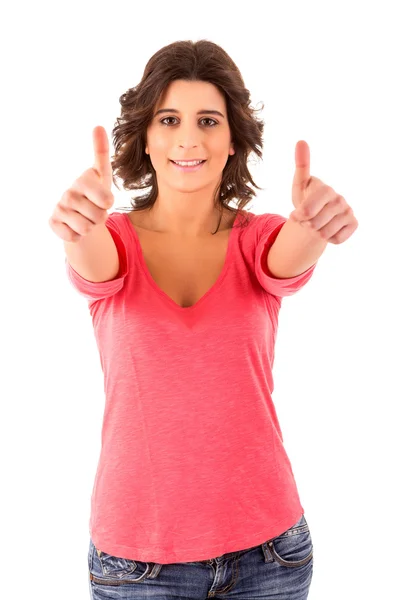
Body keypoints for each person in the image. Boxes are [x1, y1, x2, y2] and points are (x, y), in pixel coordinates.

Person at [50, 39, 318, 600]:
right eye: (168, 119)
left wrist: (313, 227)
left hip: (270, 554)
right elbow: (92, 263)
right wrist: (81, 225)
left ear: (232, 139)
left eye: (208, 120)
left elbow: (287, 258)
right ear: (145, 137)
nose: (188, 138)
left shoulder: (260, 238)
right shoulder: (112, 241)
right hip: (137, 564)